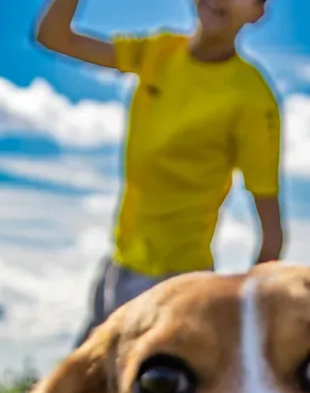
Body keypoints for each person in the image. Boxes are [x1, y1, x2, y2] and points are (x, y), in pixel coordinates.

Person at [35, 0, 285, 341]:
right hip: (118, 267)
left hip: (176, 286)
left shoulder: (253, 98)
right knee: (78, 375)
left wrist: (244, 320)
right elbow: (53, 37)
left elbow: (271, 235)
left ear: (257, 13)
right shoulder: (160, 52)